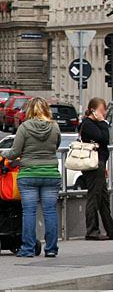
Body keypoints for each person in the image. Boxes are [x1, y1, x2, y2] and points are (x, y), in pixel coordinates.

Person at [0, 97, 61, 257]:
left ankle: (27, 249)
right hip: (51, 174)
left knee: (29, 212)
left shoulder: (24, 127)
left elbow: (14, 153)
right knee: (50, 212)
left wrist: (2, 152)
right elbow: (56, 146)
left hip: (28, 174)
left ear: (29, 110)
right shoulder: (54, 127)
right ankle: (51, 249)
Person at [79, 97, 113, 241]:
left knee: (103, 199)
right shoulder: (88, 124)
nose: (104, 113)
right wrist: (102, 121)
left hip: (99, 164)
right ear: (93, 110)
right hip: (93, 165)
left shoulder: (93, 124)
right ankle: (92, 230)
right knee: (94, 197)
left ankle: (112, 230)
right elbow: (104, 137)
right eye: (102, 110)